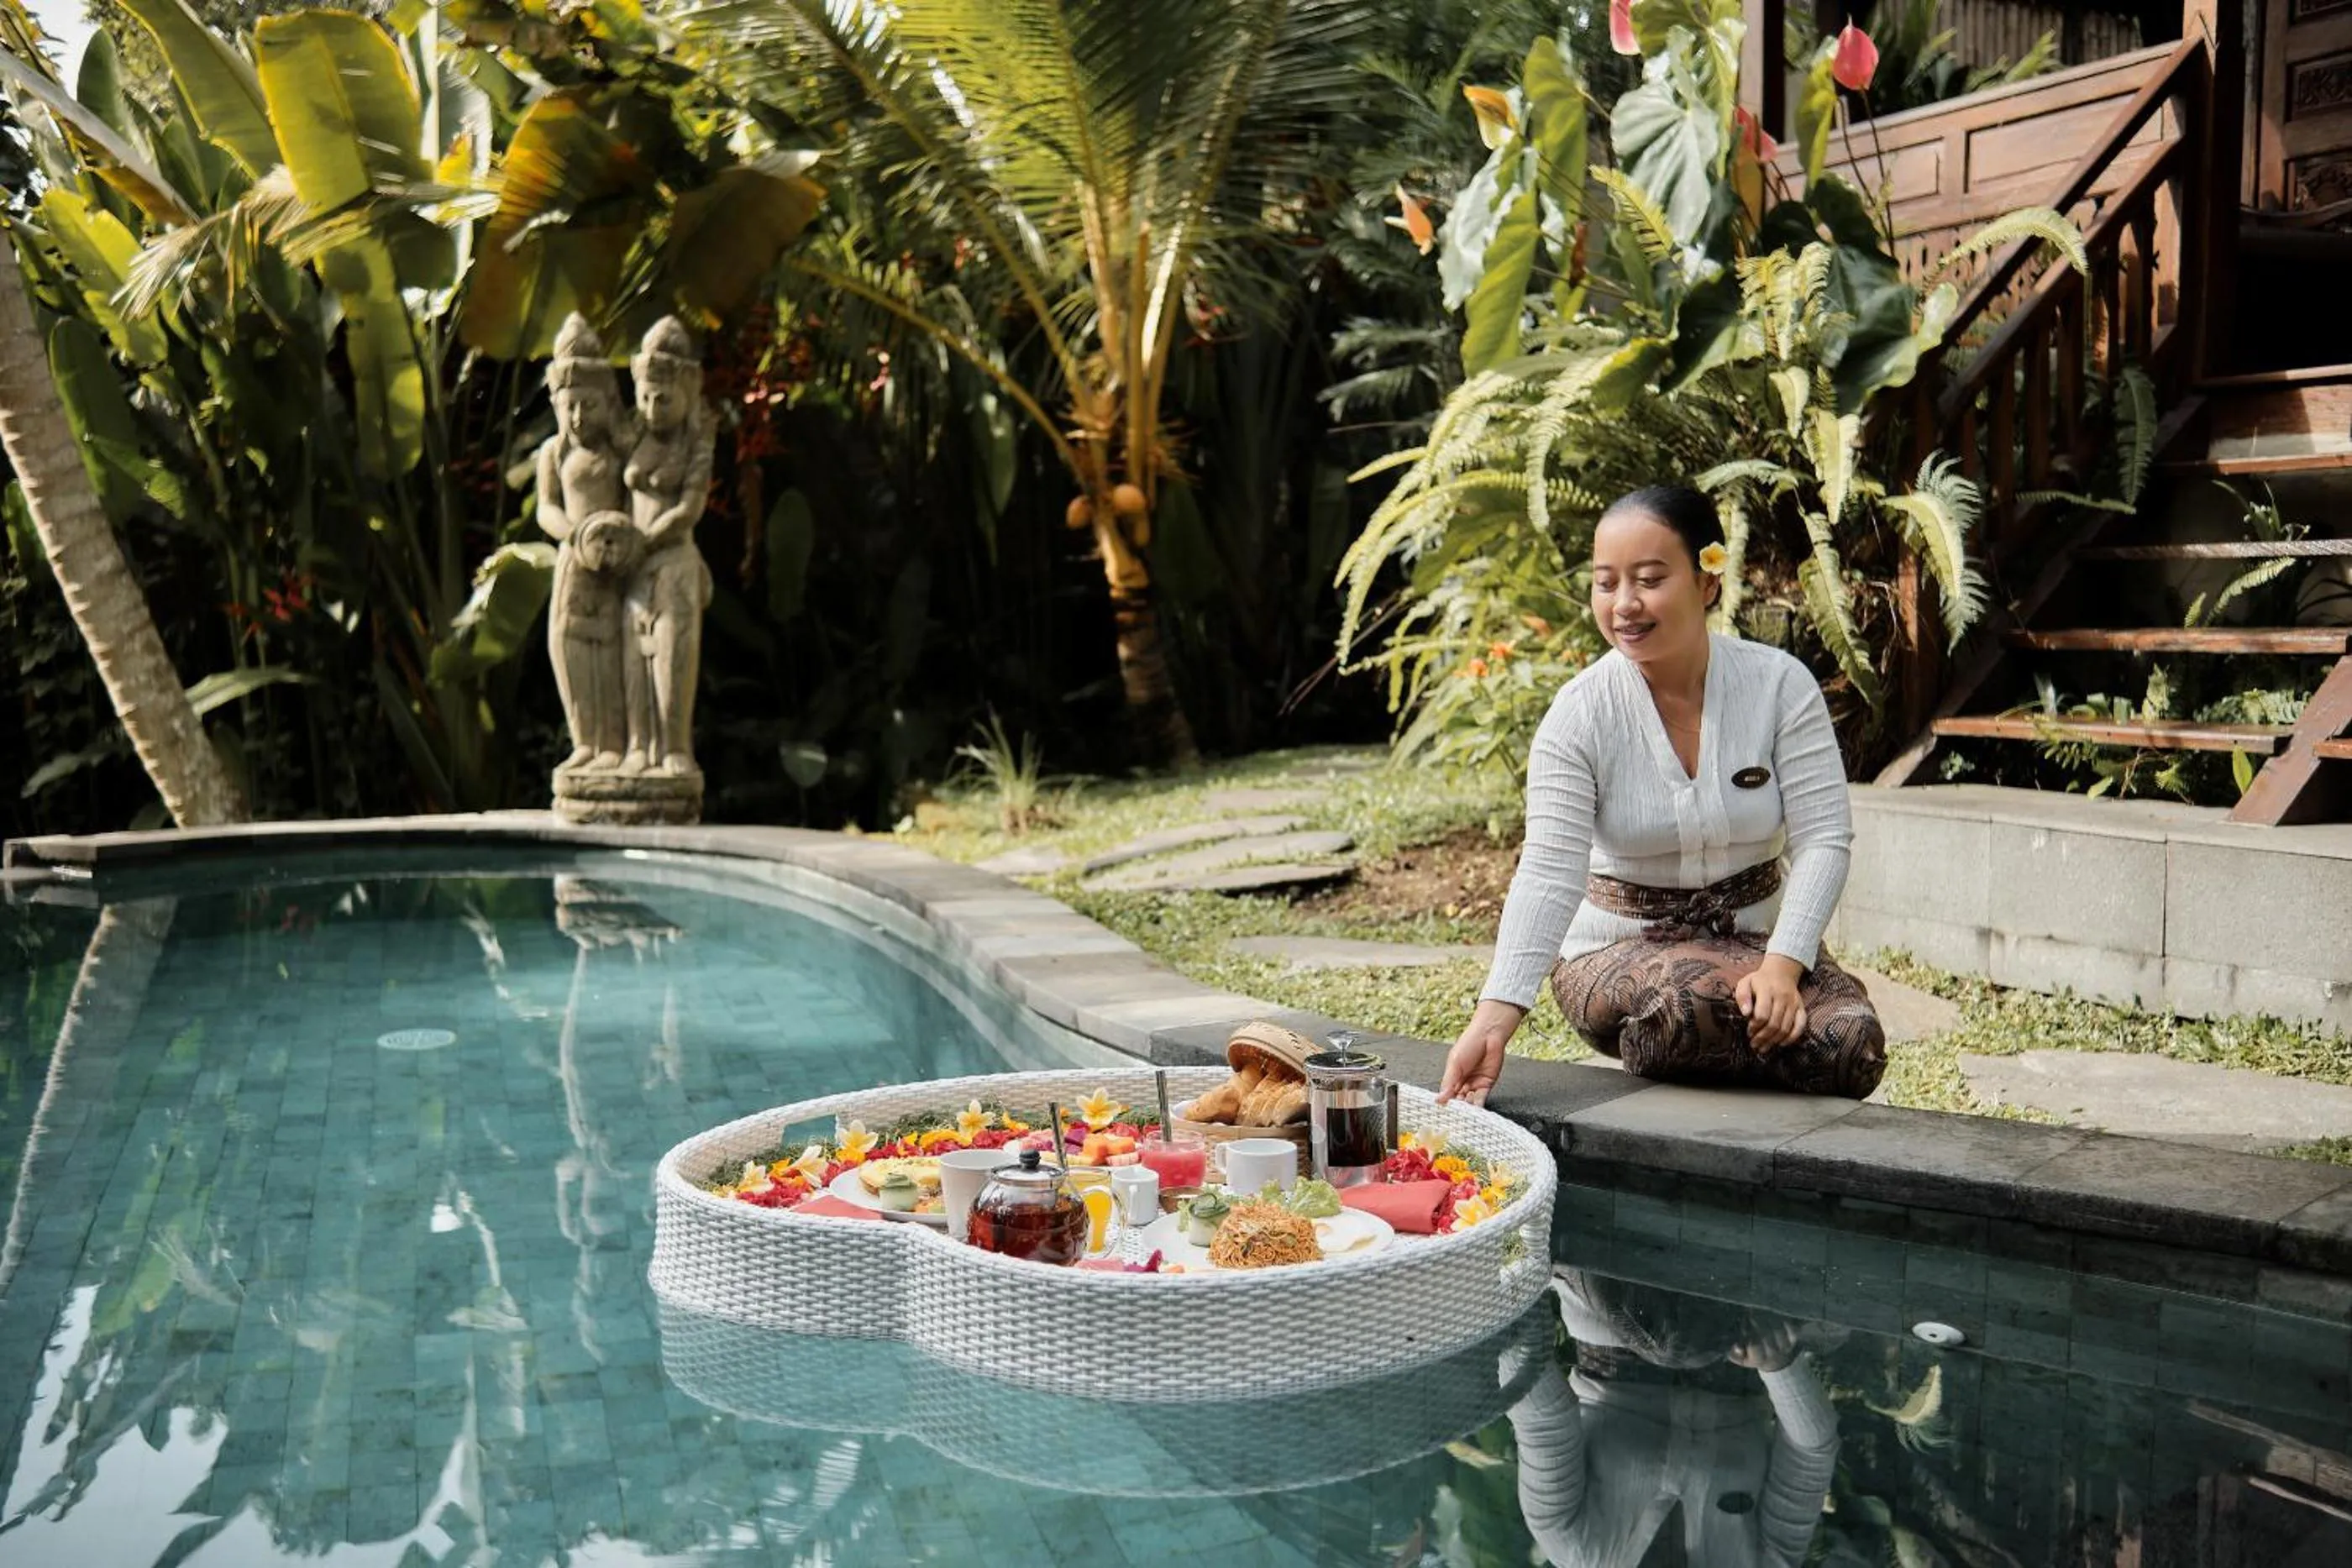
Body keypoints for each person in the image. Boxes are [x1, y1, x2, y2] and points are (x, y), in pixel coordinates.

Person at [1438, 485, 1887, 1106]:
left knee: (1853, 1042)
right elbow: (1548, 871)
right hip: (1616, 950)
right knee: (1683, 1007)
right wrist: (1492, 1022)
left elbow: (1825, 839)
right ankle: (1747, 1039)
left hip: (1755, 941)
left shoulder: (1782, 687)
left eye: (1649, 578)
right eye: (1605, 582)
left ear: (1707, 581)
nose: (1624, 604)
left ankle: (1747, 1030)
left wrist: (1783, 966)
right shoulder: (1578, 715)